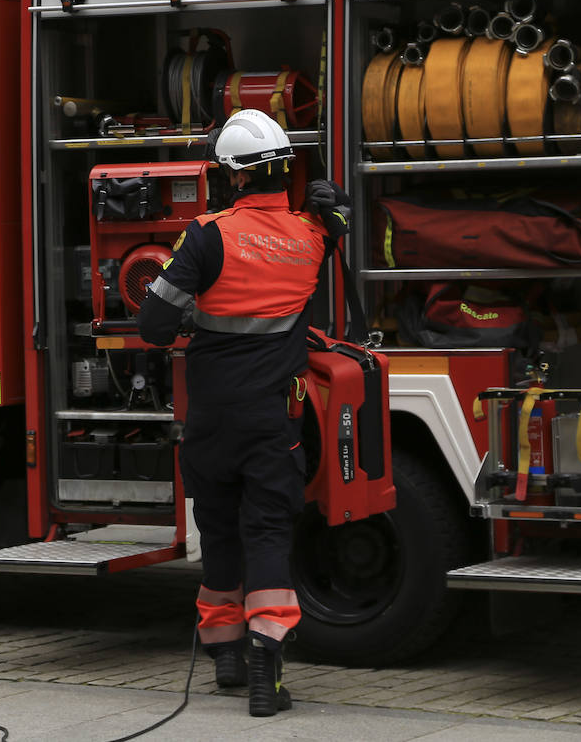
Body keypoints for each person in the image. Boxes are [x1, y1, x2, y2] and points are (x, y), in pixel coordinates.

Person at [137, 108, 350, 717]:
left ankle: (224, 655)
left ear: (231, 176)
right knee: (267, 534)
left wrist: (184, 315)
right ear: (283, 170)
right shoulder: (313, 237)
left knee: (221, 531)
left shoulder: (205, 236)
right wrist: (333, 207)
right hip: (273, 421)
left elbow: (154, 326)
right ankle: (266, 672)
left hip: (211, 422)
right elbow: (334, 223)